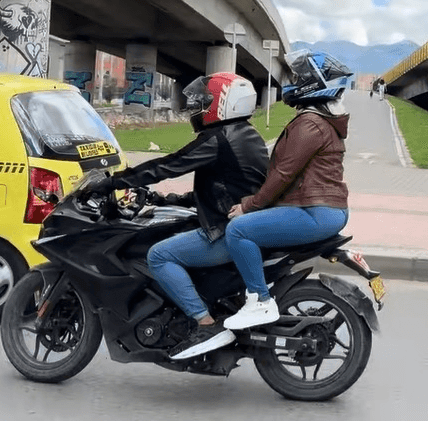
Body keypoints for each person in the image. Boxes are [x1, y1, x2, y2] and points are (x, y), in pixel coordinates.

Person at [90, 72, 268, 360]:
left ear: (224, 104)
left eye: (204, 102)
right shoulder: (246, 135)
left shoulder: (218, 139)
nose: (197, 108)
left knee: (159, 255)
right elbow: (226, 188)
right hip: (238, 223)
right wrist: (168, 199)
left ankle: (205, 324)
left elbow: (169, 166)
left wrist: (115, 181)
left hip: (227, 231)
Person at [221, 50, 354, 330]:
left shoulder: (310, 123)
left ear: (312, 84)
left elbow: (283, 174)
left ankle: (259, 301)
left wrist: (249, 205)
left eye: (299, 77)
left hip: (316, 212)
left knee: (239, 230)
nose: (293, 81)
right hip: (324, 209)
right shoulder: (322, 118)